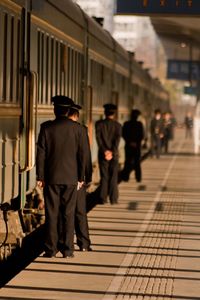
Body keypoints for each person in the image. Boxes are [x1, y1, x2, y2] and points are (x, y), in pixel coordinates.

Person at [36, 95, 86, 258]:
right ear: (69, 111)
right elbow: (82, 155)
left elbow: (41, 154)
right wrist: (81, 177)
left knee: (52, 213)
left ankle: (51, 248)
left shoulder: (46, 128)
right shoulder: (78, 129)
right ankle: (67, 249)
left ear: (55, 110)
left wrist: (40, 176)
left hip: (51, 178)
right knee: (68, 213)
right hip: (71, 178)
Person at [66, 105, 92, 251]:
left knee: (65, 213)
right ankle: (84, 243)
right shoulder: (81, 130)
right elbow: (85, 155)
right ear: (76, 115)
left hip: (62, 178)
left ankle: (64, 244)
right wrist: (85, 177)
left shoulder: (53, 127)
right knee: (80, 211)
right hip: (77, 178)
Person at [95, 103, 122, 204]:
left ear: (104, 113)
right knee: (114, 177)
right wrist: (112, 151)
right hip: (114, 154)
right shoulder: (118, 126)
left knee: (104, 176)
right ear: (114, 114)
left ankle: (102, 199)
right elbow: (117, 141)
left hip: (103, 154)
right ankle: (113, 199)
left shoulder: (99, 124)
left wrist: (105, 151)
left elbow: (98, 139)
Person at [121, 109, 144, 183]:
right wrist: (136, 142)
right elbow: (141, 135)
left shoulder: (126, 124)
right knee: (137, 162)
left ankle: (126, 177)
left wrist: (129, 142)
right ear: (137, 117)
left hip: (128, 146)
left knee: (127, 161)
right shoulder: (139, 124)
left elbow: (123, 134)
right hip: (137, 147)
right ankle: (138, 178)